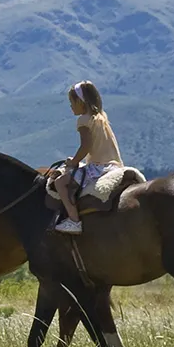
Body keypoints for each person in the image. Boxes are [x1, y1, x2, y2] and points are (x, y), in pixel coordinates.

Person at [54, 80, 123, 235]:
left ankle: (74, 220)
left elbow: (85, 147)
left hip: (98, 168)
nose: (70, 106)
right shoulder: (101, 117)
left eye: (72, 102)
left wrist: (73, 162)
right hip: (114, 165)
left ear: (81, 102)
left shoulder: (83, 121)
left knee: (60, 183)